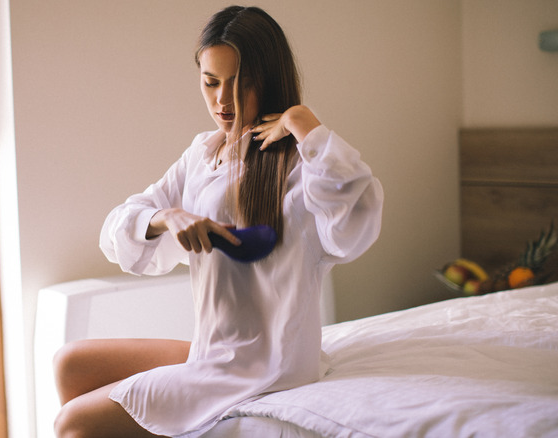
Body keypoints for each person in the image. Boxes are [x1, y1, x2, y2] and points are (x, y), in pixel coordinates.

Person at [53, 5, 383, 437]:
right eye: (211, 82)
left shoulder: (301, 167)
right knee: (70, 364)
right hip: (217, 350)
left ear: (268, 81)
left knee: (73, 423)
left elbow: (355, 219)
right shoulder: (203, 154)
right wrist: (165, 217)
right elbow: (117, 232)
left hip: (265, 368)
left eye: (240, 83)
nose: (223, 101)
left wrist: (303, 122)